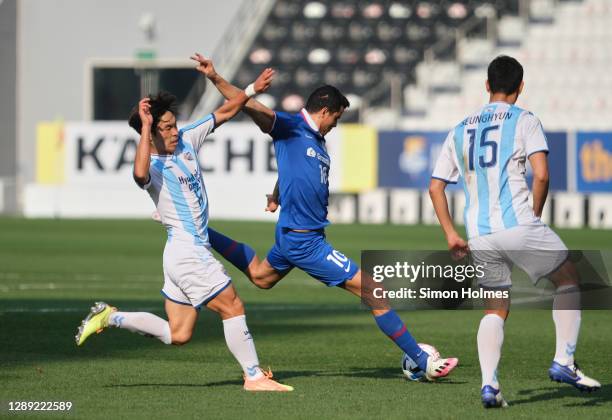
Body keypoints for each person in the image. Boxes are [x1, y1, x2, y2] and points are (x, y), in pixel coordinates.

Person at [189, 53, 458, 382]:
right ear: (325, 110)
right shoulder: (290, 126)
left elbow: (294, 170)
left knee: (260, 276)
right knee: (374, 291)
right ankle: (422, 361)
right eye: (337, 118)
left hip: (295, 236)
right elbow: (245, 105)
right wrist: (220, 79)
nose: (335, 125)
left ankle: (202, 231)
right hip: (305, 242)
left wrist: (277, 193)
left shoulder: (316, 141)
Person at [75, 58, 293, 392]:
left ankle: (110, 316)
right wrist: (147, 129)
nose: (174, 131)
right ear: (152, 134)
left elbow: (224, 112)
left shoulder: (187, 139)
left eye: (174, 125)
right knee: (232, 305)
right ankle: (253, 376)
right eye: (166, 128)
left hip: (179, 254)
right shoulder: (153, 168)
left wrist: (249, 89)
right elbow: (138, 175)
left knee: (179, 334)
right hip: (188, 253)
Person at [429, 55, 600, 408]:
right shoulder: (525, 120)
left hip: (480, 235)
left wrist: (450, 234)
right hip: (518, 224)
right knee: (571, 279)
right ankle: (564, 361)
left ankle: (489, 386)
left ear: (487, 86)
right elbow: (542, 174)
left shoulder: (460, 128)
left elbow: (435, 187)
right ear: (521, 87)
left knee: (495, 308)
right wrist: (534, 217)